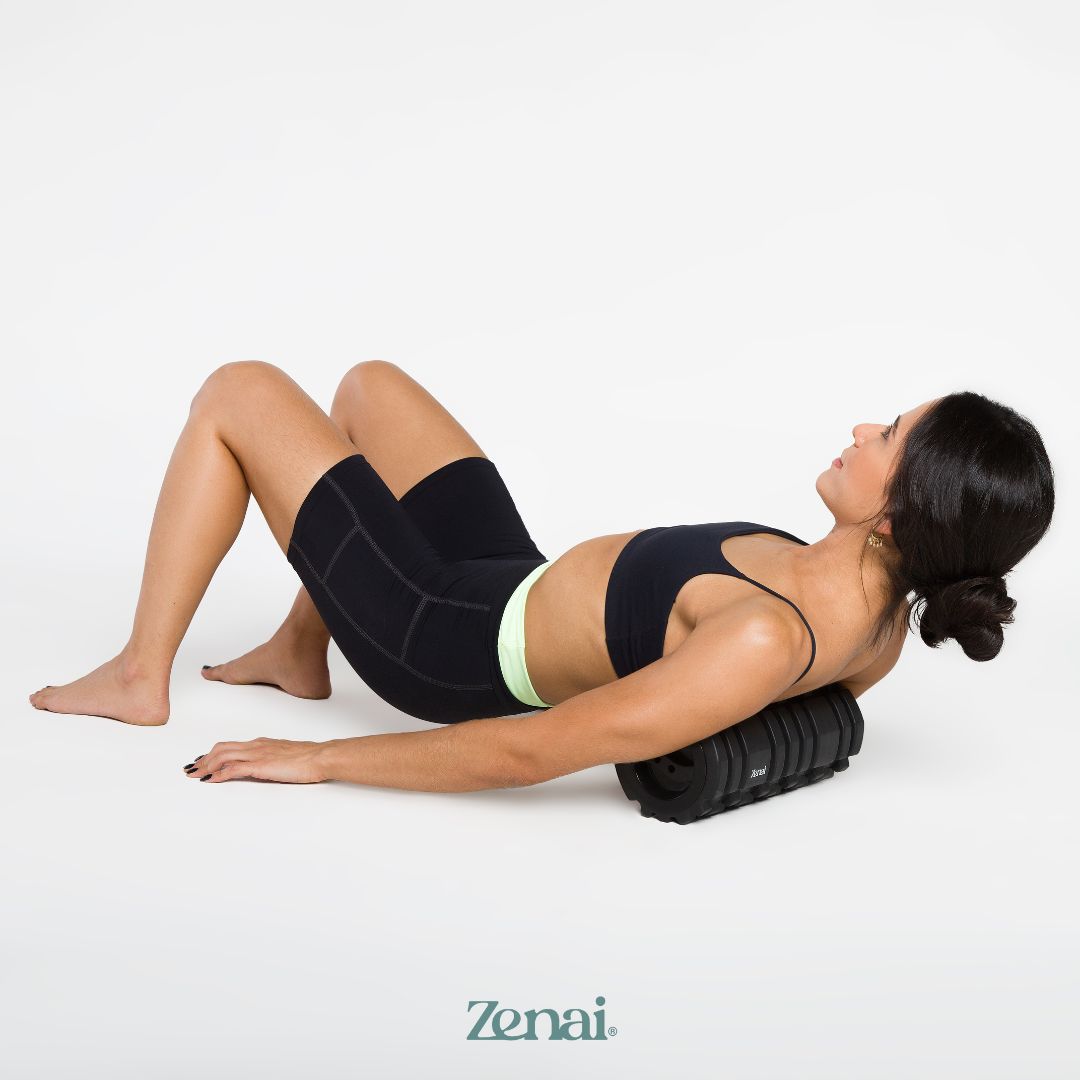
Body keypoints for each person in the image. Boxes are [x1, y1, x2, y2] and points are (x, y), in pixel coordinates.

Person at [28, 362, 1055, 793]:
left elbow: (536, 748)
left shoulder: (764, 637)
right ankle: (302, 648)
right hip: (504, 577)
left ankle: (139, 674)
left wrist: (324, 762)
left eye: (889, 434)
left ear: (899, 512)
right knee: (370, 389)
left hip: (440, 635)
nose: (862, 428)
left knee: (240, 391)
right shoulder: (873, 630)